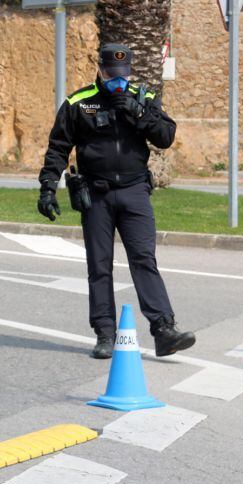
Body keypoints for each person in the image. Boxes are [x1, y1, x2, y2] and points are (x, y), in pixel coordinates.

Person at [37, 43, 195, 360]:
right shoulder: (79, 103)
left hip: (135, 191)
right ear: (101, 69)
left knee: (144, 260)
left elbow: (165, 135)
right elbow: (58, 148)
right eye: (112, 75)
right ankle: (105, 334)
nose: (117, 82)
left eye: (123, 76)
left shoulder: (143, 98)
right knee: (99, 266)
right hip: (96, 193)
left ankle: (164, 330)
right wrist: (47, 187)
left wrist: (137, 113)